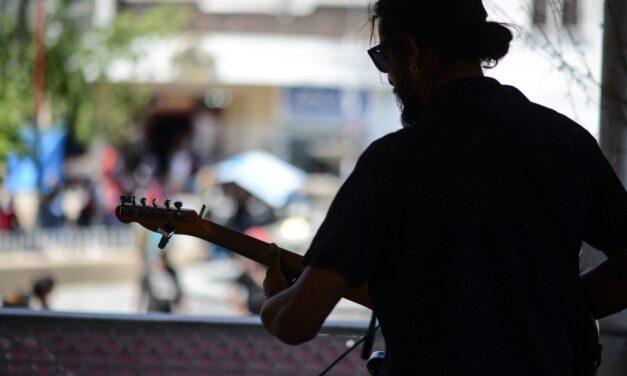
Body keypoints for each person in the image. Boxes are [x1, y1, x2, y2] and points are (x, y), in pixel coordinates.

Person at [260, 0, 627, 375]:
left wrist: (274, 300)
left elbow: (297, 322)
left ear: (413, 51)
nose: (389, 78)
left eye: (386, 58)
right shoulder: (565, 141)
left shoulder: (395, 164)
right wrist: (554, 308)